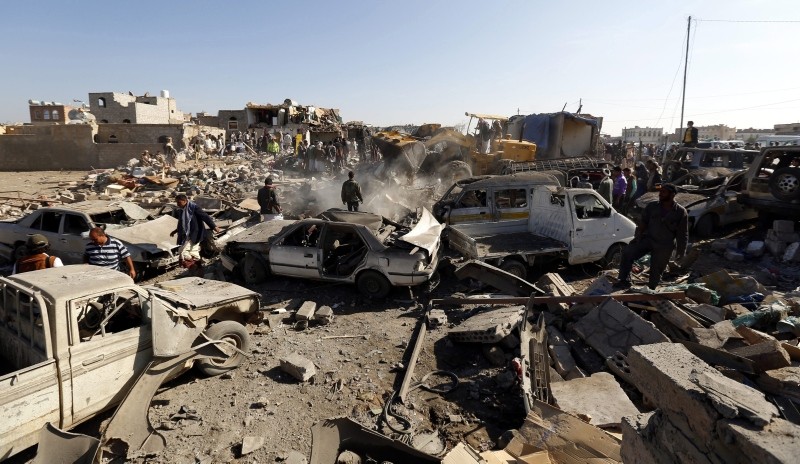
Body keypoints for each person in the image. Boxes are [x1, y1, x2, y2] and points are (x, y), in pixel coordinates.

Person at [614, 184, 688, 290]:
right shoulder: (652, 206)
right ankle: (624, 280)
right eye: (660, 191)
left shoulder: (680, 212)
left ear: (672, 195)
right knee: (627, 252)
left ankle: (651, 289)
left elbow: (682, 233)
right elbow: (643, 222)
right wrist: (638, 236)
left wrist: (681, 252)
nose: (660, 194)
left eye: (663, 192)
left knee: (657, 269)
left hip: (665, 245)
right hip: (648, 239)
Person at [170, 194, 220, 276]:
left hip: (195, 234)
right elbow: (181, 223)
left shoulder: (194, 208)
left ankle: (195, 267)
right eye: (177, 202)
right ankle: (198, 269)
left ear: (185, 201)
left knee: (183, 252)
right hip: (186, 235)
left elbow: (205, 217)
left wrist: (214, 226)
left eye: (179, 202)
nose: (177, 204)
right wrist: (175, 231)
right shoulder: (181, 210)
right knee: (193, 252)